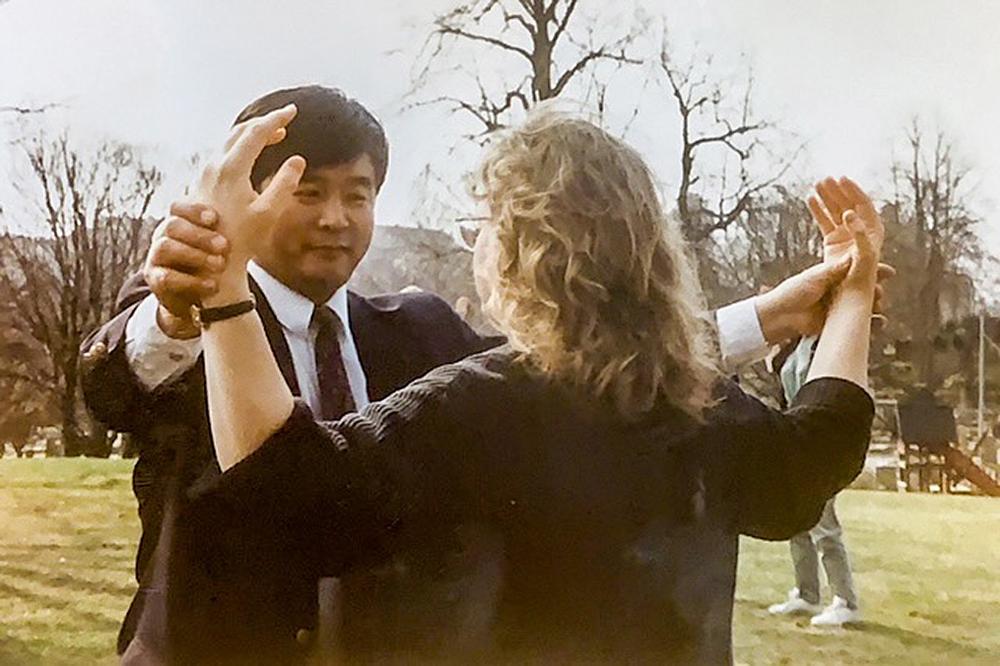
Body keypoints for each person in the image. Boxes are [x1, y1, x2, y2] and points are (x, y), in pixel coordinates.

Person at [78, 87, 882, 660]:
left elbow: (579, 379)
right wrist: (194, 306)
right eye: (309, 191)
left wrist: (769, 315)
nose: (335, 216)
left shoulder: (426, 330)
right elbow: (112, 386)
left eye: (357, 193)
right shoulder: (173, 317)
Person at [767, 336, 862, 626]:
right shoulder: (798, 344)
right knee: (797, 520)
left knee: (824, 524)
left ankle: (845, 600)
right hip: (797, 437)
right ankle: (807, 594)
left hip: (821, 441)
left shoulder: (828, 342)